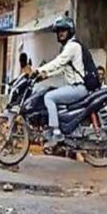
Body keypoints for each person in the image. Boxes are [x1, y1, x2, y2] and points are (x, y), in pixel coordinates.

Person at [36, 16, 88, 147]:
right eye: (59, 31)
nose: (60, 33)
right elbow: (61, 69)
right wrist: (45, 75)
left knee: (49, 97)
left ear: (70, 31)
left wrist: (38, 70)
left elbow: (58, 62)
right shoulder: (68, 47)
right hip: (76, 88)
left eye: (63, 30)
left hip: (78, 88)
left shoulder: (72, 47)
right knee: (53, 94)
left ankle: (56, 132)